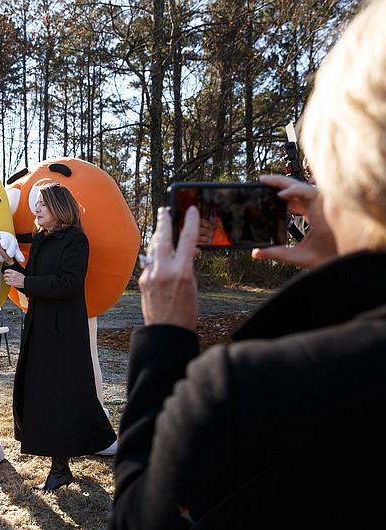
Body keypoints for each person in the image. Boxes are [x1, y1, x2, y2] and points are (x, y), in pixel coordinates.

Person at [111, 2, 386, 527]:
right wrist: (353, 260)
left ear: (352, 165)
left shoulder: (246, 391)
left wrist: (165, 339)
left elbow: (137, 518)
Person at [0, 182, 116, 491]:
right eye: (36, 204)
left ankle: (61, 467)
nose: (36, 209)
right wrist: (10, 264)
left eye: (42, 205)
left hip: (63, 332)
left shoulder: (76, 240)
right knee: (45, 395)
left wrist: (25, 280)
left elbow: (68, 284)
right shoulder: (42, 240)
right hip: (40, 326)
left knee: (62, 396)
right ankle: (60, 465)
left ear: (59, 209)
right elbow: (34, 279)